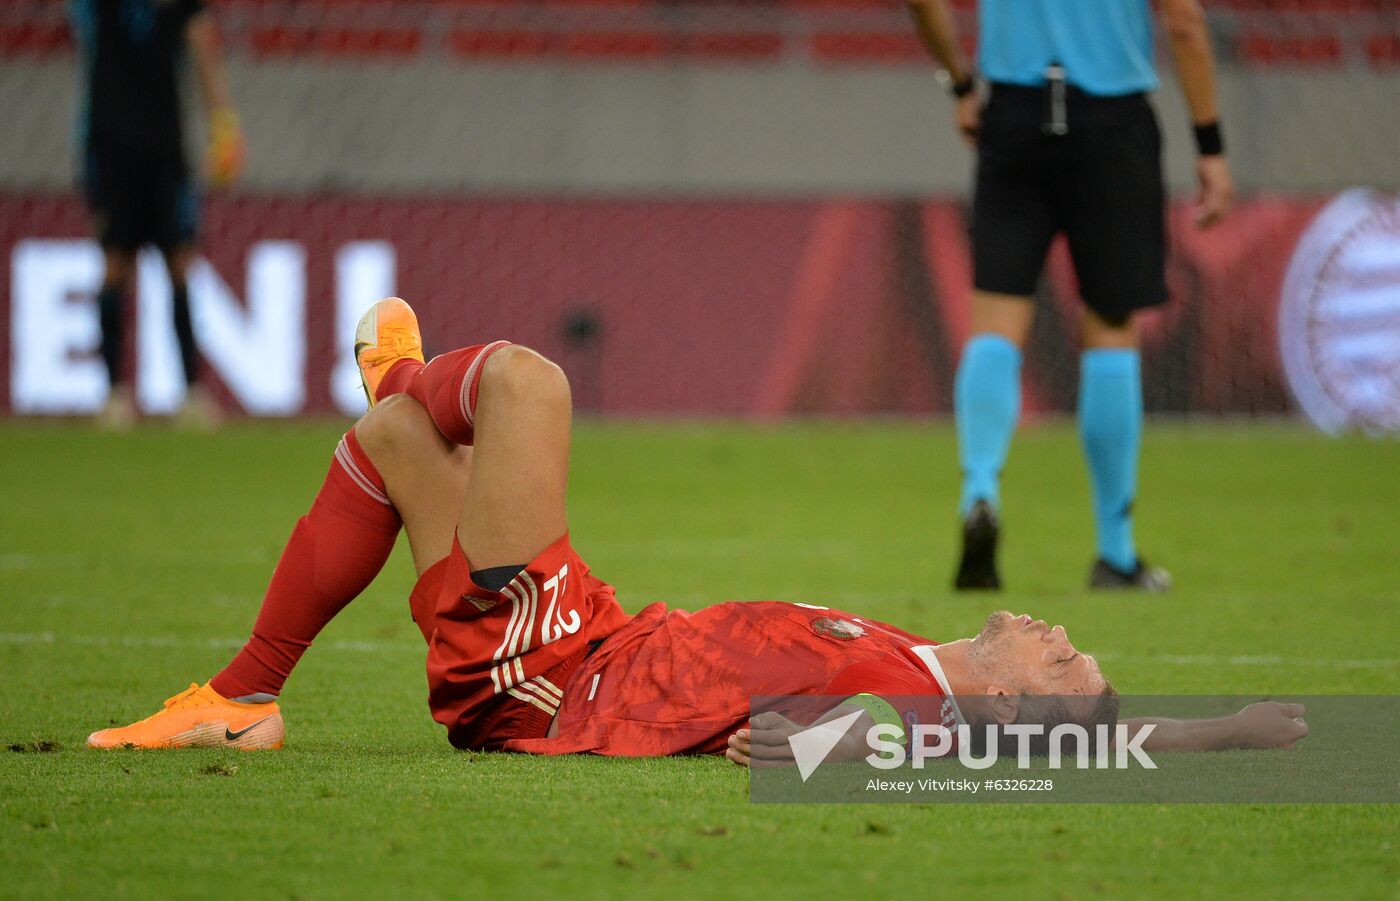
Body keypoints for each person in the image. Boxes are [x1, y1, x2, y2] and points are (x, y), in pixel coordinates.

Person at [87, 300, 1307, 761]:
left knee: (524, 384)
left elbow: (838, 740)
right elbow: (1098, 740)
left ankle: (397, 372)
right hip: (586, 639)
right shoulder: (920, 663)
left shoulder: (913, 709)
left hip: (560, 677)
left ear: (1009, 707)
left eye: (1056, 659)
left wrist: (798, 743)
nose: (1050, 629)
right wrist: (1230, 733)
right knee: (402, 454)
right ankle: (245, 695)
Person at [907, 0, 1234, 591]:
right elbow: (1183, 20)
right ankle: (1116, 553)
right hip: (1111, 121)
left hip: (1013, 114)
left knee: (996, 320)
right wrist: (1210, 143)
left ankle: (979, 490)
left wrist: (959, 80)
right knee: (1110, 327)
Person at [70, 0, 245, 430]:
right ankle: (112, 393)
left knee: (180, 264)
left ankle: (190, 393)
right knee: (114, 266)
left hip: (166, 151)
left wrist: (222, 121)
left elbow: (202, 43)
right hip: (110, 148)